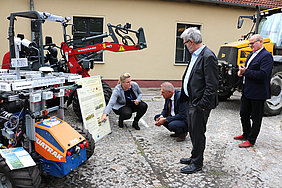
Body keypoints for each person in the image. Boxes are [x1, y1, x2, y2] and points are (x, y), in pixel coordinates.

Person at [179, 27, 218, 174]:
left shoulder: (208, 56)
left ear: (190, 42)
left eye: (184, 43)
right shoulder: (196, 54)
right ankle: (194, 157)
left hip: (200, 104)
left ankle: (197, 163)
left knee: (198, 133)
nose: (184, 45)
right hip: (192, 100)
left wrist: (202, 105)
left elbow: (212, 85)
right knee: (193, 131)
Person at [234, 34, 274, 148]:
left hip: (258, 92)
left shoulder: (266, 56)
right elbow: (247, 69)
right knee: (243, 114)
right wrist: (240, 72)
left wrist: (245, 72)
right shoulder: (251, 54)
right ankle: (246, 134)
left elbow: (263, 74)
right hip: (247, 90)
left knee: (256, 117)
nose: (250, 45)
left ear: (260, 42)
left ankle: (251, 140)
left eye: (252, 43)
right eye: (249, 43)